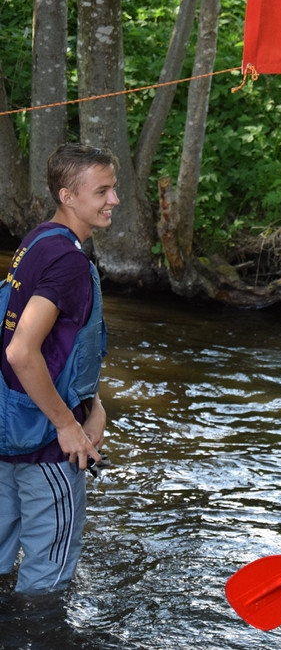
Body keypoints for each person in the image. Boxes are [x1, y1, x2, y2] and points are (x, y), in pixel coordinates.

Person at [0, 143, 116, 594]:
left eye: (113, 188)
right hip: (46, 444)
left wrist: (95, 406)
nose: (114, 200)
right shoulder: (69, 262)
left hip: (8, 432)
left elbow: (54, 347)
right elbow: (22, 350)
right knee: (46, 584)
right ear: (68, 196)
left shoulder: (36, 241)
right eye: (102, 190)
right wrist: (68, 424)